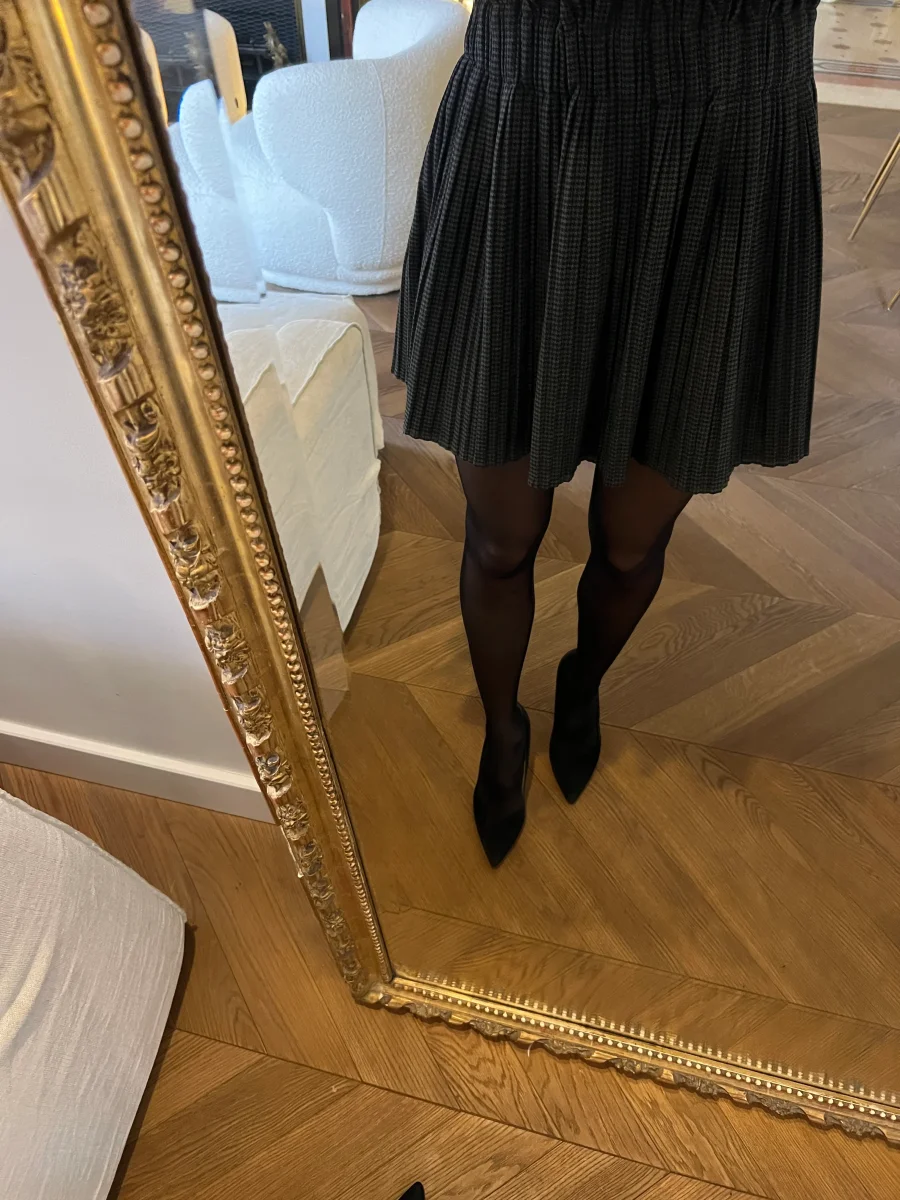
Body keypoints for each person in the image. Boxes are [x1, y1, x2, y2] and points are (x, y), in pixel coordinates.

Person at [393, 0, 822, 867]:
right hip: (528, 125)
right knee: (499, 540)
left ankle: (582, 681)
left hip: (730, 141)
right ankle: (504, 731)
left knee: (631, 547)